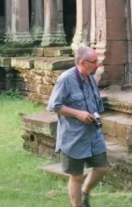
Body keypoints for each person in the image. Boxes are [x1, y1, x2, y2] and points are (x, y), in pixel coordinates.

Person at [46, 46, 109, 207]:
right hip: (73, 136)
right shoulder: (66, 79)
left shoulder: (91, 78)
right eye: (95, 62)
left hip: (93, 133)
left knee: (102, 168)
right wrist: (78, 113)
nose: (98, 65)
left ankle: (85, 193)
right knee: (76, 176)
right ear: (83, 62)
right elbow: (55, 105)